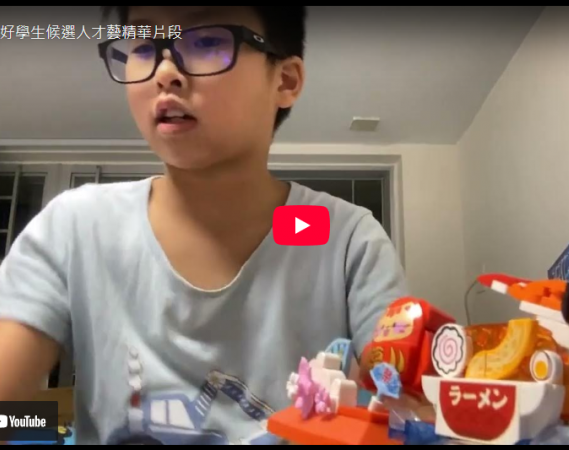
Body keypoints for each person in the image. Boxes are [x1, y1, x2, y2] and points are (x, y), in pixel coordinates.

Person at [0, 6, 408, 445]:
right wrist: (49, 433)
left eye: (208, 41)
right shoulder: (77, 225)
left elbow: (405, 405)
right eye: (143, 45)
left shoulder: (345, 239)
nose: (165, 73)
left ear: (285, 81)